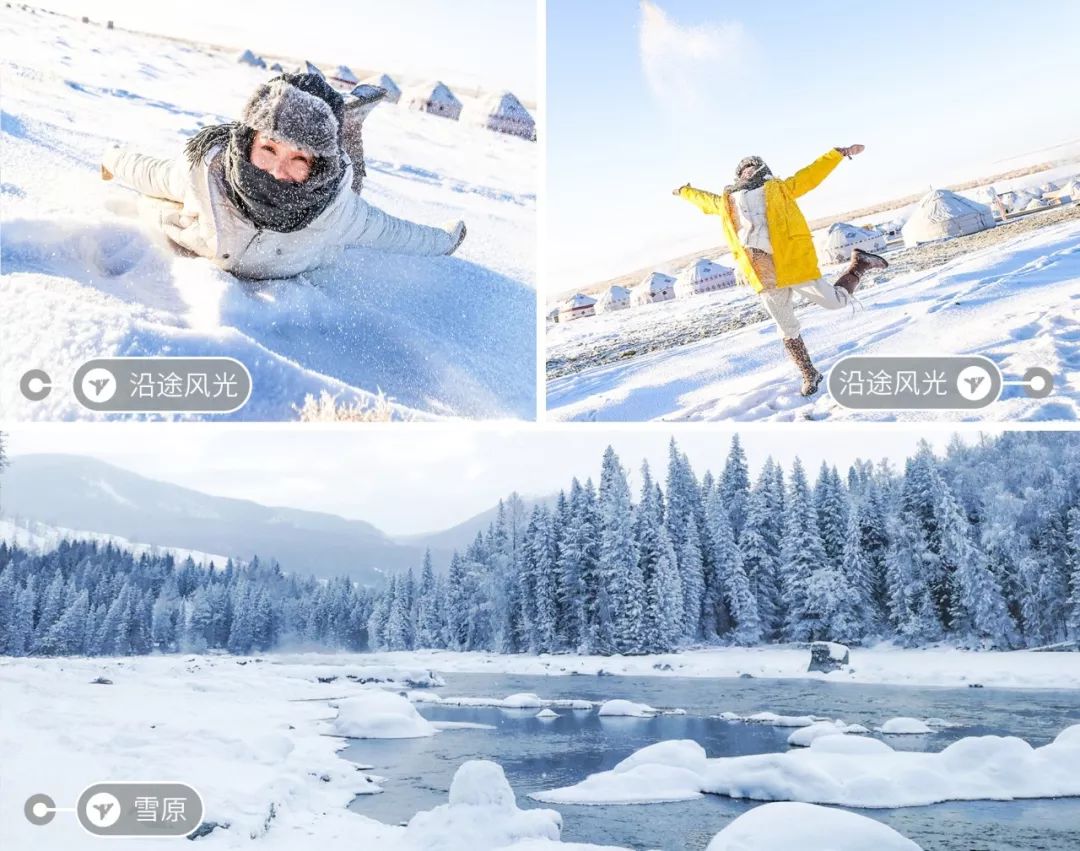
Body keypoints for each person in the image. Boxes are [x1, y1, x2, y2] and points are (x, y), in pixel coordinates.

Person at [100, 72, 466, 281]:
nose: (278, 171)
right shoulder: (206, 171)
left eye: (299, 158)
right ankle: (338, 120)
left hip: (332, 181)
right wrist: (112, 159)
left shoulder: (338, 212)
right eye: (269, 148)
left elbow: (397, 234)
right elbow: (150, 173)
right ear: (247, 141)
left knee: (350, 180)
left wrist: (445, 241)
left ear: (317, 164)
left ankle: (345, 127)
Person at [674, 146, 887, 397]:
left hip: (793, 263)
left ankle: (860, 264)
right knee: (786, 327)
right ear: (738, 175)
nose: (748, 171)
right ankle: (810, 373)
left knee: (835, 303)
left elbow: (810, 175)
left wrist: (837, 154)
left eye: (752, 166)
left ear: (762, 169)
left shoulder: (780, 188)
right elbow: (704, 200)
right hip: (762, 270)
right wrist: (685, 191)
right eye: (743, 169)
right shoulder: (727, 201)